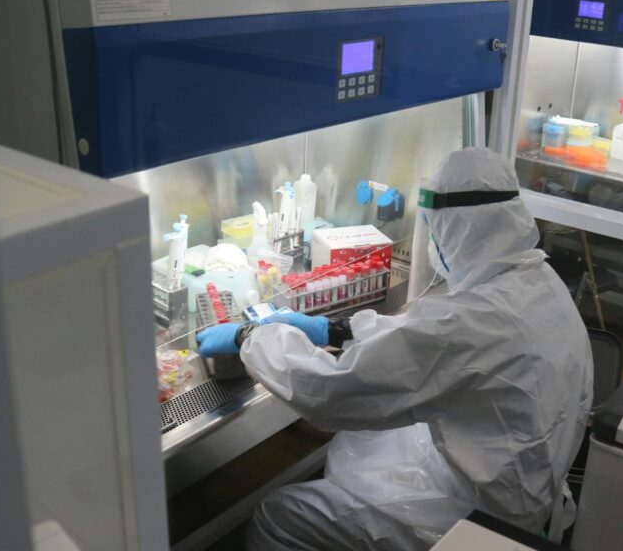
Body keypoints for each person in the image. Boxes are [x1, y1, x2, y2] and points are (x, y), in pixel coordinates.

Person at [197, 147, 593, 550]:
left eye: (435, 229)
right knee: (364, 441)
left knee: (279, 514)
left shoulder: (468, 323)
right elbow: (420, 340)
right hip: (523, 489)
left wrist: (250, 338)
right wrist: (332, 329)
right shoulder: (538, 279)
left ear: (456, 230)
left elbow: (329, 393)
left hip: (471, 525)